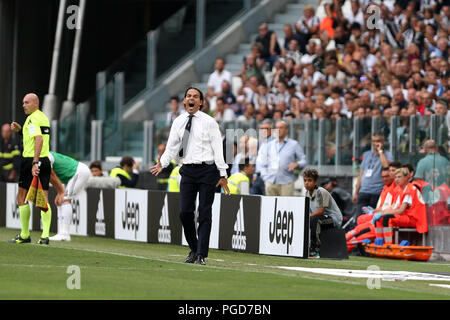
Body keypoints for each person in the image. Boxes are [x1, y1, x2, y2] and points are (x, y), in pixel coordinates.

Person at [150, 87, 230, 266]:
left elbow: (218, 149)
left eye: (195, 96)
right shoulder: (178, 121)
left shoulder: (210, 122)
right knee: (185, 213)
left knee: (204, 212)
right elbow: (171, 146)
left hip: (208, 171)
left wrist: (223, 173)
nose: (191, 99)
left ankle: (201, 253)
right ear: (184, 101)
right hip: (187, 170)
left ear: (201, 102)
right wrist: (162, 163)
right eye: (188, 96)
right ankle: (194, 248)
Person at [8, 93, 52, 245]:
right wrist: (21, 130)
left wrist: (34, 162)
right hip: (45, 160)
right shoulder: (42, 117)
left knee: (21, 196)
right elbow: (35, 136)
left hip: (31, 160)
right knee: (43, 198)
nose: (23, 105)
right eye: (23, 102)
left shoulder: (32, 118)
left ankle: (25, 234)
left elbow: (38, 139)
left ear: (35, 103)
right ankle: (45, 236)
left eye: (26, 102)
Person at [372, 168, 428, 245]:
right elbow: (393, 207)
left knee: (387, 218)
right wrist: (380, 212)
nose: (396, 179)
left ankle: (388, 244)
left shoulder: (410, 190)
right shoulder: (399, 190)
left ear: (406, 177)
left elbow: (400, 210)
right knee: (378, 219)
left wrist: (382, 213)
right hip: (406, 217)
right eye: (395, 177)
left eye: (399, 177)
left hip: (414, 219)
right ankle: (380, 242)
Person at [48, 151, 92, 241]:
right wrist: (59, 192)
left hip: (78, 172)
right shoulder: (44, 155)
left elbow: (51, 175)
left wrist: (61, 192)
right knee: (60, 201)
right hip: (72, 175)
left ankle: (64, 234)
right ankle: (61, 233)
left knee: (65, 199)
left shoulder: (45, 156)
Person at [257, 120, 307, 196]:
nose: (278, 130)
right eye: (276, 128)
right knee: (271, 205)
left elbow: (304, 160)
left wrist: (297, 164)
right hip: (270, 181)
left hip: (287, 182)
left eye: (281, 127)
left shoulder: (294, 144)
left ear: (286, 130)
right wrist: (264, 177)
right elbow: (260, 162)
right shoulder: (269, 145)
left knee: (285, 206)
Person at [303, 168, 343, 258]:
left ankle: (315, 251)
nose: (306, 183)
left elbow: (321, 211)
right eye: (305, 180)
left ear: (316, 182)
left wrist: (308, 217)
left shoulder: (321, 192)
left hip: (333, 218)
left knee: (315, 221)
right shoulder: (306, 194)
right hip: (320, 217)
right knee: (310, 220)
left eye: (309, 180)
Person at [353, 134, 393, 219]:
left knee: (373, 219)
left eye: (378, 141)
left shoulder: (387, 155)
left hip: (377, 192)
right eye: (373, 141)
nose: (375, 143)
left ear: (383, 142)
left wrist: (380, 151)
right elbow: (361, 174)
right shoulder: (367, 154)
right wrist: (356, 192)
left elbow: (386, 166)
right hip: (363, 191)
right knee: (359, 218)